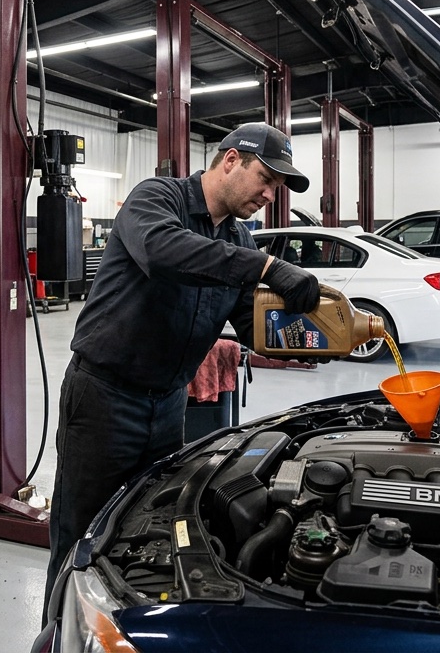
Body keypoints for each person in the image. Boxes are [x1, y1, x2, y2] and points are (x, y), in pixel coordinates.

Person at [42, 122, 320, 615]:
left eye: (277, 188)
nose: (269, 194)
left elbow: (252, 327)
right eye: (266, 178)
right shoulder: (157, 199)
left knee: (144, 533)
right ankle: (56, 635)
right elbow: (163, 251)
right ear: (231, 159)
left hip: (169, 405)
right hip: (104, 400)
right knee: (80, 539)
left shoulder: (239, 240)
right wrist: (264, 268)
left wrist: (316, 331)